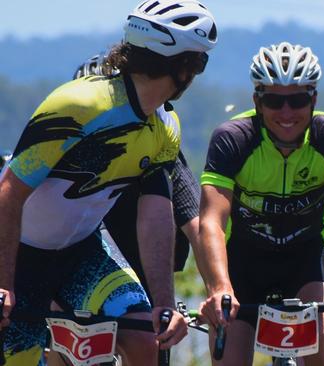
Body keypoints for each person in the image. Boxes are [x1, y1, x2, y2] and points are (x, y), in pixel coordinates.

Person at [0, 1, 217, 365]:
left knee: (144, 335)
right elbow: (9, 193)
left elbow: (156, 214)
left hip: (82, 252)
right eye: (199, 62)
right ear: (183, 67)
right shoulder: (79, 105)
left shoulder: (165, 126)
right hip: (19, 258)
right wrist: (4, 282)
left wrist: (164, 303)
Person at [196, 42, 324, 365]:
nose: (286, 113)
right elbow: (211, 222)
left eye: (297, 100)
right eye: (273, 100)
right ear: (257, 101)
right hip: (244, 261)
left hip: (307, 256)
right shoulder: (233, 139)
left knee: (319, 334)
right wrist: (219, 287)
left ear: (314, 100)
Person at [71, 51, 201, 300]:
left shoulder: (158, 147)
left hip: (144, 265)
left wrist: (219, 289)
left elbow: (196, 225)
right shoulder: (61, 146)